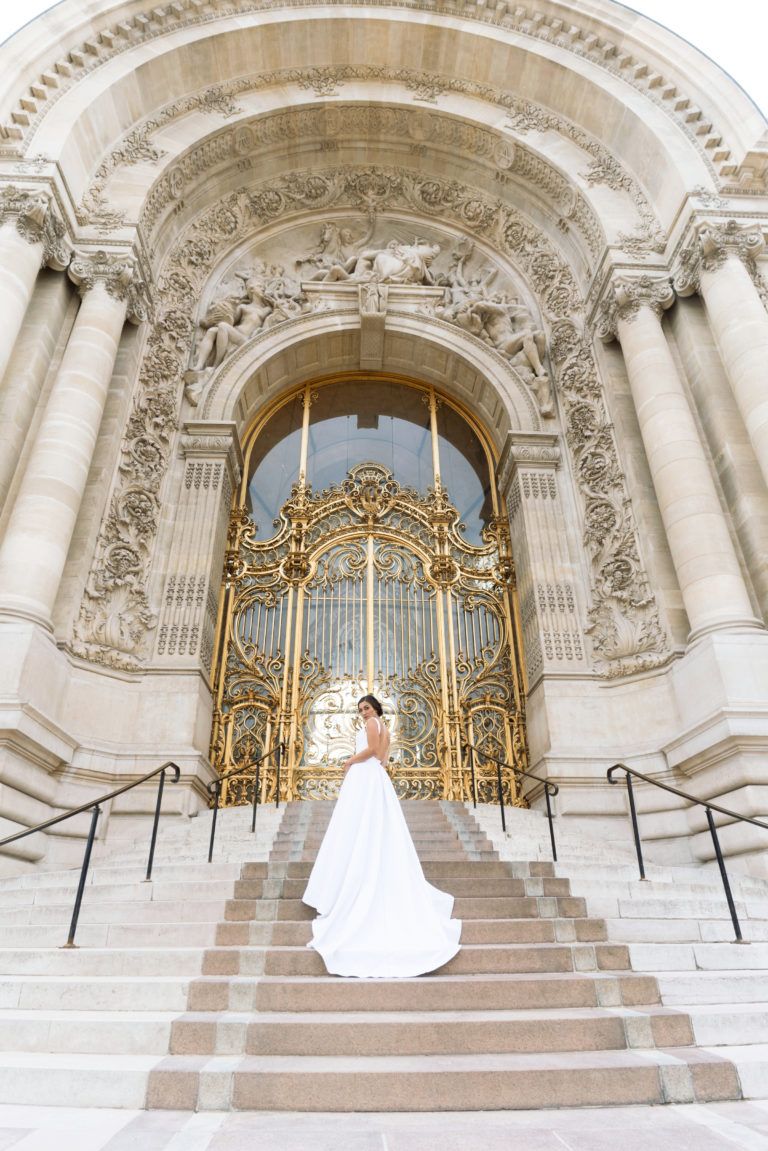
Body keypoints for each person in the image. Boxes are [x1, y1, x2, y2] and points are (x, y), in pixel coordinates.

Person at [302, 694, 462, 978]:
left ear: (375, 708)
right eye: (360, 709)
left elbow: (374, 752)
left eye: (366, 707)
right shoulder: (383, 725)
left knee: (357, 823)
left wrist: (350, 761)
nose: (363, 712)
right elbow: (384, 758)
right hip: (374, 776)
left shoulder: (372, 725)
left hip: (365, 774)